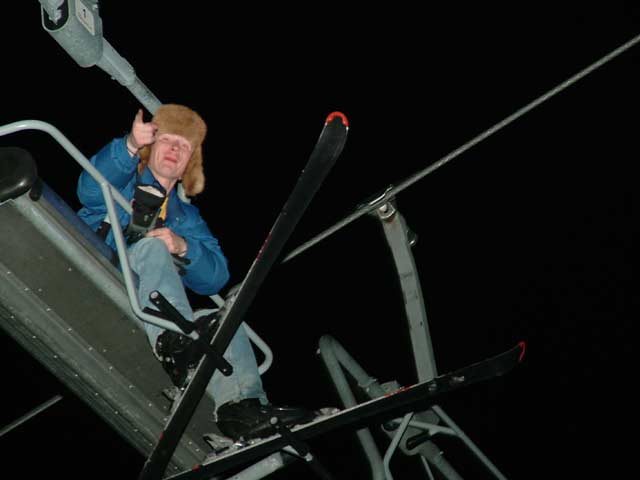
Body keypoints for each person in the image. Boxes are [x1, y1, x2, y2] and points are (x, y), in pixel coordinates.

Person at [76, 104, 317, 441]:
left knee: (225, 319)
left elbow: (216, 277)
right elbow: (88, 189)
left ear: (189, 163)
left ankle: (241, 408)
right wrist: (129, 145)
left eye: (184, 146)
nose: (174, 149)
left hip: (157, 304)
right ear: (151, 146)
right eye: (167, 140)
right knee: (152, 247)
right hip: (105, 265)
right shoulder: (123, 181)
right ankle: (173, 342)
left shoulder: (186, 219)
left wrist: (183, 246)